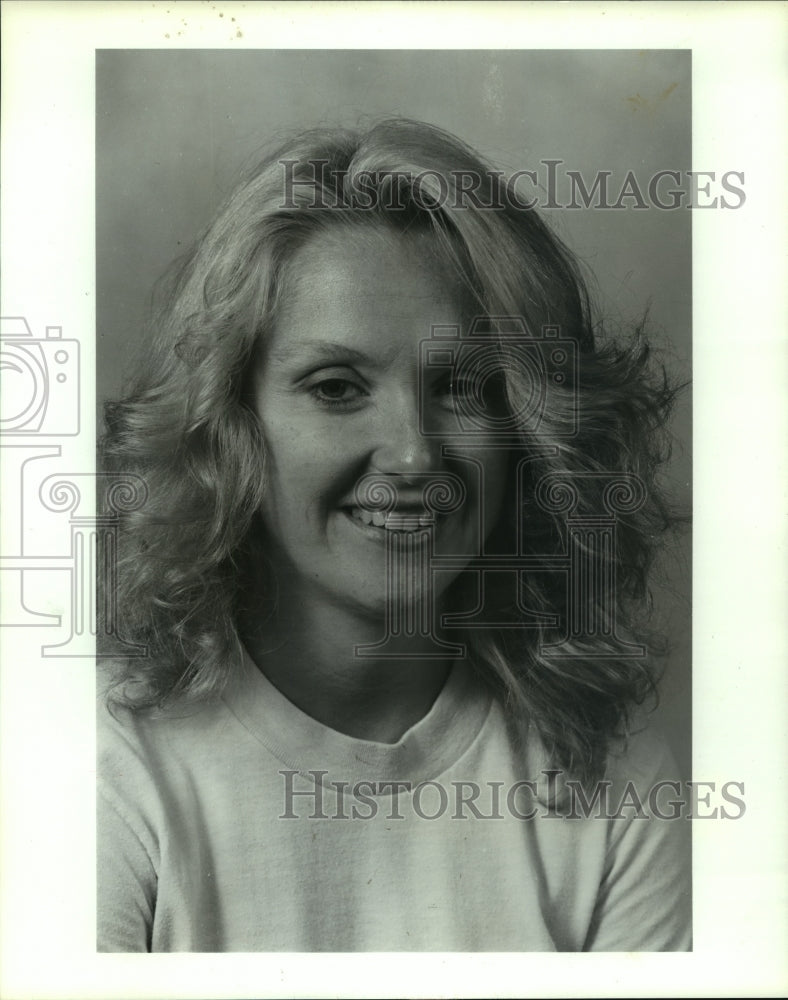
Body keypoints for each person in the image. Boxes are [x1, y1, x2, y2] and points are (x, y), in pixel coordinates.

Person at [97, 118, 691, 952]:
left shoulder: (614, 775)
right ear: (231, 424)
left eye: (464, 388)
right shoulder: (104, 761)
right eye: (337, 388)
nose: (414, 454)